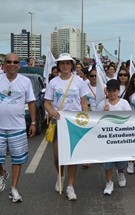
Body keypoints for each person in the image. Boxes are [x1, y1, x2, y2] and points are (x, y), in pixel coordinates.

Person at [44, 53, 89, 201]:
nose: (65, 66)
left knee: (71, 156)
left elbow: (83, 102)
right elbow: (47, 102)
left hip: (74, 123)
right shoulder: (53, 82)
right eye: (62, 64)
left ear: (71, 65)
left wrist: (87, 119)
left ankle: (70, 186)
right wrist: (51, 111)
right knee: (58, 158)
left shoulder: (79, 81)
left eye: (67, 63)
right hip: (59, 122)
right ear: (58, 66)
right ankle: (60, 176)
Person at [0, 53, 37, 203]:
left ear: (19, 65)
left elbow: (32, 102)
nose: (12, 64)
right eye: (9, 61)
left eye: (15, 62)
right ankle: (3, 173)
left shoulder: (25, 81)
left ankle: (14, 188)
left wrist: (33, 123)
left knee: (17, 159)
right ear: (4, 64)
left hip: (17, 127)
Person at [97, 79, 132, 195]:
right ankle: (109, 182)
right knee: (108, 161)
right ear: (106, 91)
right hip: (107, 138)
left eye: (114, 91)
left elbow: (130, 118)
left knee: (121, 160)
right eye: (110, 91)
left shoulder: (124, 103)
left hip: (120, 138)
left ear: (118, 91)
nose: (112, 94)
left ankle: (121, 173)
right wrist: (104, 112)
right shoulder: (102, 104)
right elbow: (96, 121)